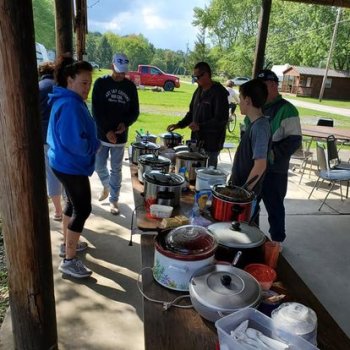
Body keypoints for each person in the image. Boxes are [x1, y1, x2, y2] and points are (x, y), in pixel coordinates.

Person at [47, 58, 100, 278]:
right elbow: (75, 142)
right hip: (70, 165)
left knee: (71, 205)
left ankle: (66, 246)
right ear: (70, 80)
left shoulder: (70, 99)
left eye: (90, 83)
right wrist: (93, 147)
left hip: (63, 163)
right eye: (84, 82)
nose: (87, 88)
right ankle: (69, 261)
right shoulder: (70, 104)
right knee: (83, 209)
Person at [255, 69, 302, 246]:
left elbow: (294, 140)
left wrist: (272, 154)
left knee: (275, 207)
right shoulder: (256, 106)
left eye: (263, 86)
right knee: (252, 205)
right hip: (255, 168)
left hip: (275, 170)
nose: (258, 90)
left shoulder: (287, 109)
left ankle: (277, 241)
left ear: (274, 85)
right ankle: (254, 236)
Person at [92, 53, 140, 215]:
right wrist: (107, 131)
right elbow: (96, 111)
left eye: (123, 72)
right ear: (112, 65)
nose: (120, 75)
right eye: (118, 71)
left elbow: (135, 112)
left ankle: (114, 200)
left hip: (120, 137)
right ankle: (107, 185)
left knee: (116, 169)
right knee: (98, 165)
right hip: (101, 134)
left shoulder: (130, 87)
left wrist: (125, 124)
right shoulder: (101, 83)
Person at [167, 62, 229, 168]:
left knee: (207, 174)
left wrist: (200, 126)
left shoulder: (219, 93)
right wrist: (179, 125)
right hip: (197, 141)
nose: (196, 79)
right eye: (194, 77)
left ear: (206, 74)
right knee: (194, 170)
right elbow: (191, 113)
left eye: (198, 77)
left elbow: (221, 120)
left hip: (212, 144)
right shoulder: (199, 90)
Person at [229, 79, 270, 195]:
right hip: (239, 187)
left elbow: (260, 165)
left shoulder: (260, 127)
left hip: (246, 196)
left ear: (247, 100)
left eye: (240, 99)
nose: (239, 102)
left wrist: (243, 193)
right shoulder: (254, 124)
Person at [38, 61, 63, 221]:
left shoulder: (37, 87)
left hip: (43, 137)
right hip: (59, 137)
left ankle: (58, 211)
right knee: (66, 172)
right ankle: (70, 207)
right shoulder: (59, 88)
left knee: (51, 175)